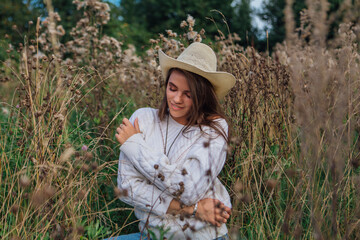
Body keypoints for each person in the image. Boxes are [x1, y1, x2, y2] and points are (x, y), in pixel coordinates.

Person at [111, 42, 236, 240]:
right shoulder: (143, 119)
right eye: (172, 88)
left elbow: (188, 189)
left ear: (203, 96)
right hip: (154, 235)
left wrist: (135, 146)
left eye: (188, 94)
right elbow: (127, 189)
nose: (177, 99)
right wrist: (194, 210)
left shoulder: (214, 129)